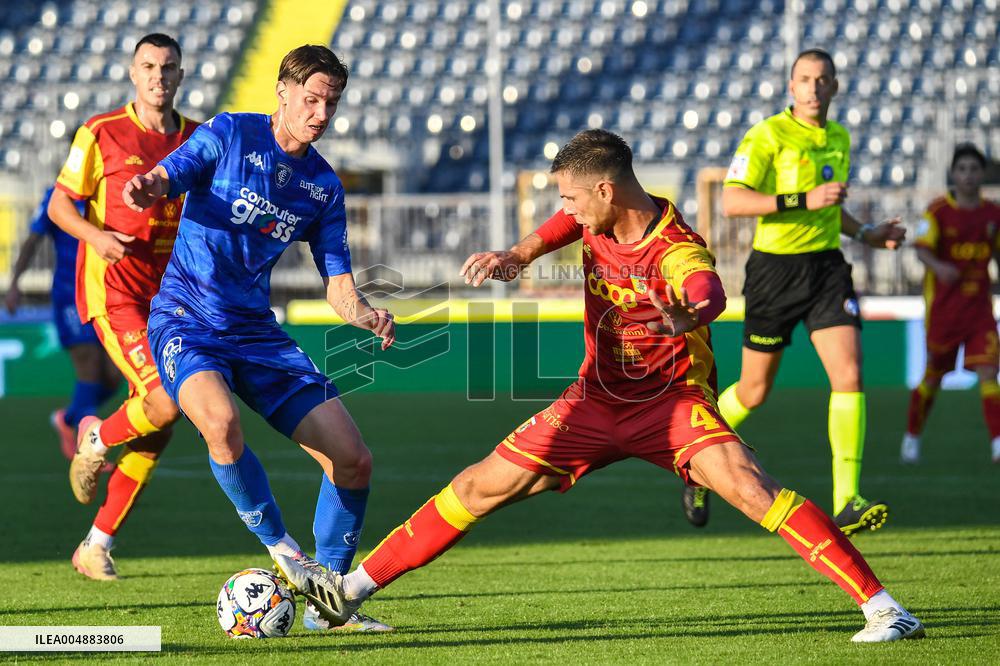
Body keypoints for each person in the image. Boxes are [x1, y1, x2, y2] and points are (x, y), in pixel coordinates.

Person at [318, 129, 925, 642]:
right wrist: (519, 254)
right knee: (477, 486)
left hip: (671, 404)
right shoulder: (594, 217)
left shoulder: (674, 246)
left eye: (572, 196)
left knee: (750, 488)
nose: (568, 208)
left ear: (606, 191)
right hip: (593, 400)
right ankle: (349, 591)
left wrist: (692, 314)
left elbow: (706, 286)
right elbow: (564, 223)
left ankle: (884, 608)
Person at [123, 45, 396, 633]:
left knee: (353, 460)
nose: (321, 114)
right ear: (282, 91)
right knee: (220, 424)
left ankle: (328, 606)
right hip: (187, 319)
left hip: (256, 333)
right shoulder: (230, 134)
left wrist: (365, 314)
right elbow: (173, 171)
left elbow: (338, 285)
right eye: (311, 99)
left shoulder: (323, 186)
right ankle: (284, 551)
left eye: (331, 103)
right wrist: (151, 184)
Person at [686, 48, 906, 534]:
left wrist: (867, 233)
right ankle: (694, 461)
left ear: (835, 86)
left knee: (849, 373)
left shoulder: (839, 137)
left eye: (822, 79)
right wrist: (803, 198)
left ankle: (847, 500)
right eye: (804, 79)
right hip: (775, 272)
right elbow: (732, 201)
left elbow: (829, 208)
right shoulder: (767, 135)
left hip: (827, 268)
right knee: (754, 390)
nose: (813, 87)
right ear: (791, 86)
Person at [49, 33, 197, 580]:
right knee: (165, 400)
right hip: (117, 293)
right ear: (133, 74)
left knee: (157, 423)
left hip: (171, 300)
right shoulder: (102, 131)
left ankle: (96, 545)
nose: (159, 75)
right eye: (149, 66)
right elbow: (60, 205)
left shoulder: (197, 139)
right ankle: (95, 438)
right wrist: (98, 237)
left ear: (181, 75)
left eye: (168, 66)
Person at [4, 185, 120, 458]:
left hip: (106, 293)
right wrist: (15, 283)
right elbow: (33, 240)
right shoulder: (57, 195)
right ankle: (87, 452)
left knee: (114, 377)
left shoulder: (110, 188)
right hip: (71, 294)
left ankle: (68, 419)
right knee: (89, 365)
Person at [902, 143, 1000, 464]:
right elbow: (921, 249)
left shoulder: (993, 214)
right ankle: (912, 436)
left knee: (989, 372)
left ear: (982, 174)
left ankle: (998, 442)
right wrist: (939, 266)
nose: (968, 175)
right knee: (933, 377)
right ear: (953, 174)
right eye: (962, 169)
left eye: (974, 169)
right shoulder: (937, 211)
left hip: (980, 311)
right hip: (945, 312)